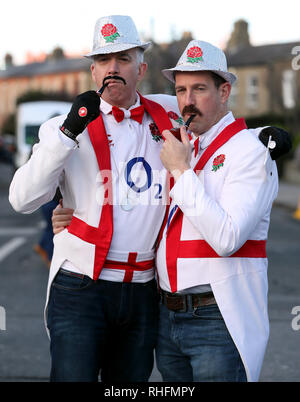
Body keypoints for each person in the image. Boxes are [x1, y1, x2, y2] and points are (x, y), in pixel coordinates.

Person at [10, 15, 289, 382]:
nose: (113, 69)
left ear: (141, 68)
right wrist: (66, 136)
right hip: (81, 286)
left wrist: (260, 135)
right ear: (92, 71)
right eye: (104, 60)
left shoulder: (168, 111)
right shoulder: (62, 127)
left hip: (143, 293)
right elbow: (22, 199)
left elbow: (210, 115)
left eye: (124, 59)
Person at [154, 40, 279, 382]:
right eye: (180, 90)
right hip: (168, 317)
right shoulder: (184, 146)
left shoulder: (250, 152)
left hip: (218, 319)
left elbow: (227, 238)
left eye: (199, 89)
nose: (187, 100)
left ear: (224, 92)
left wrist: (181, 172)